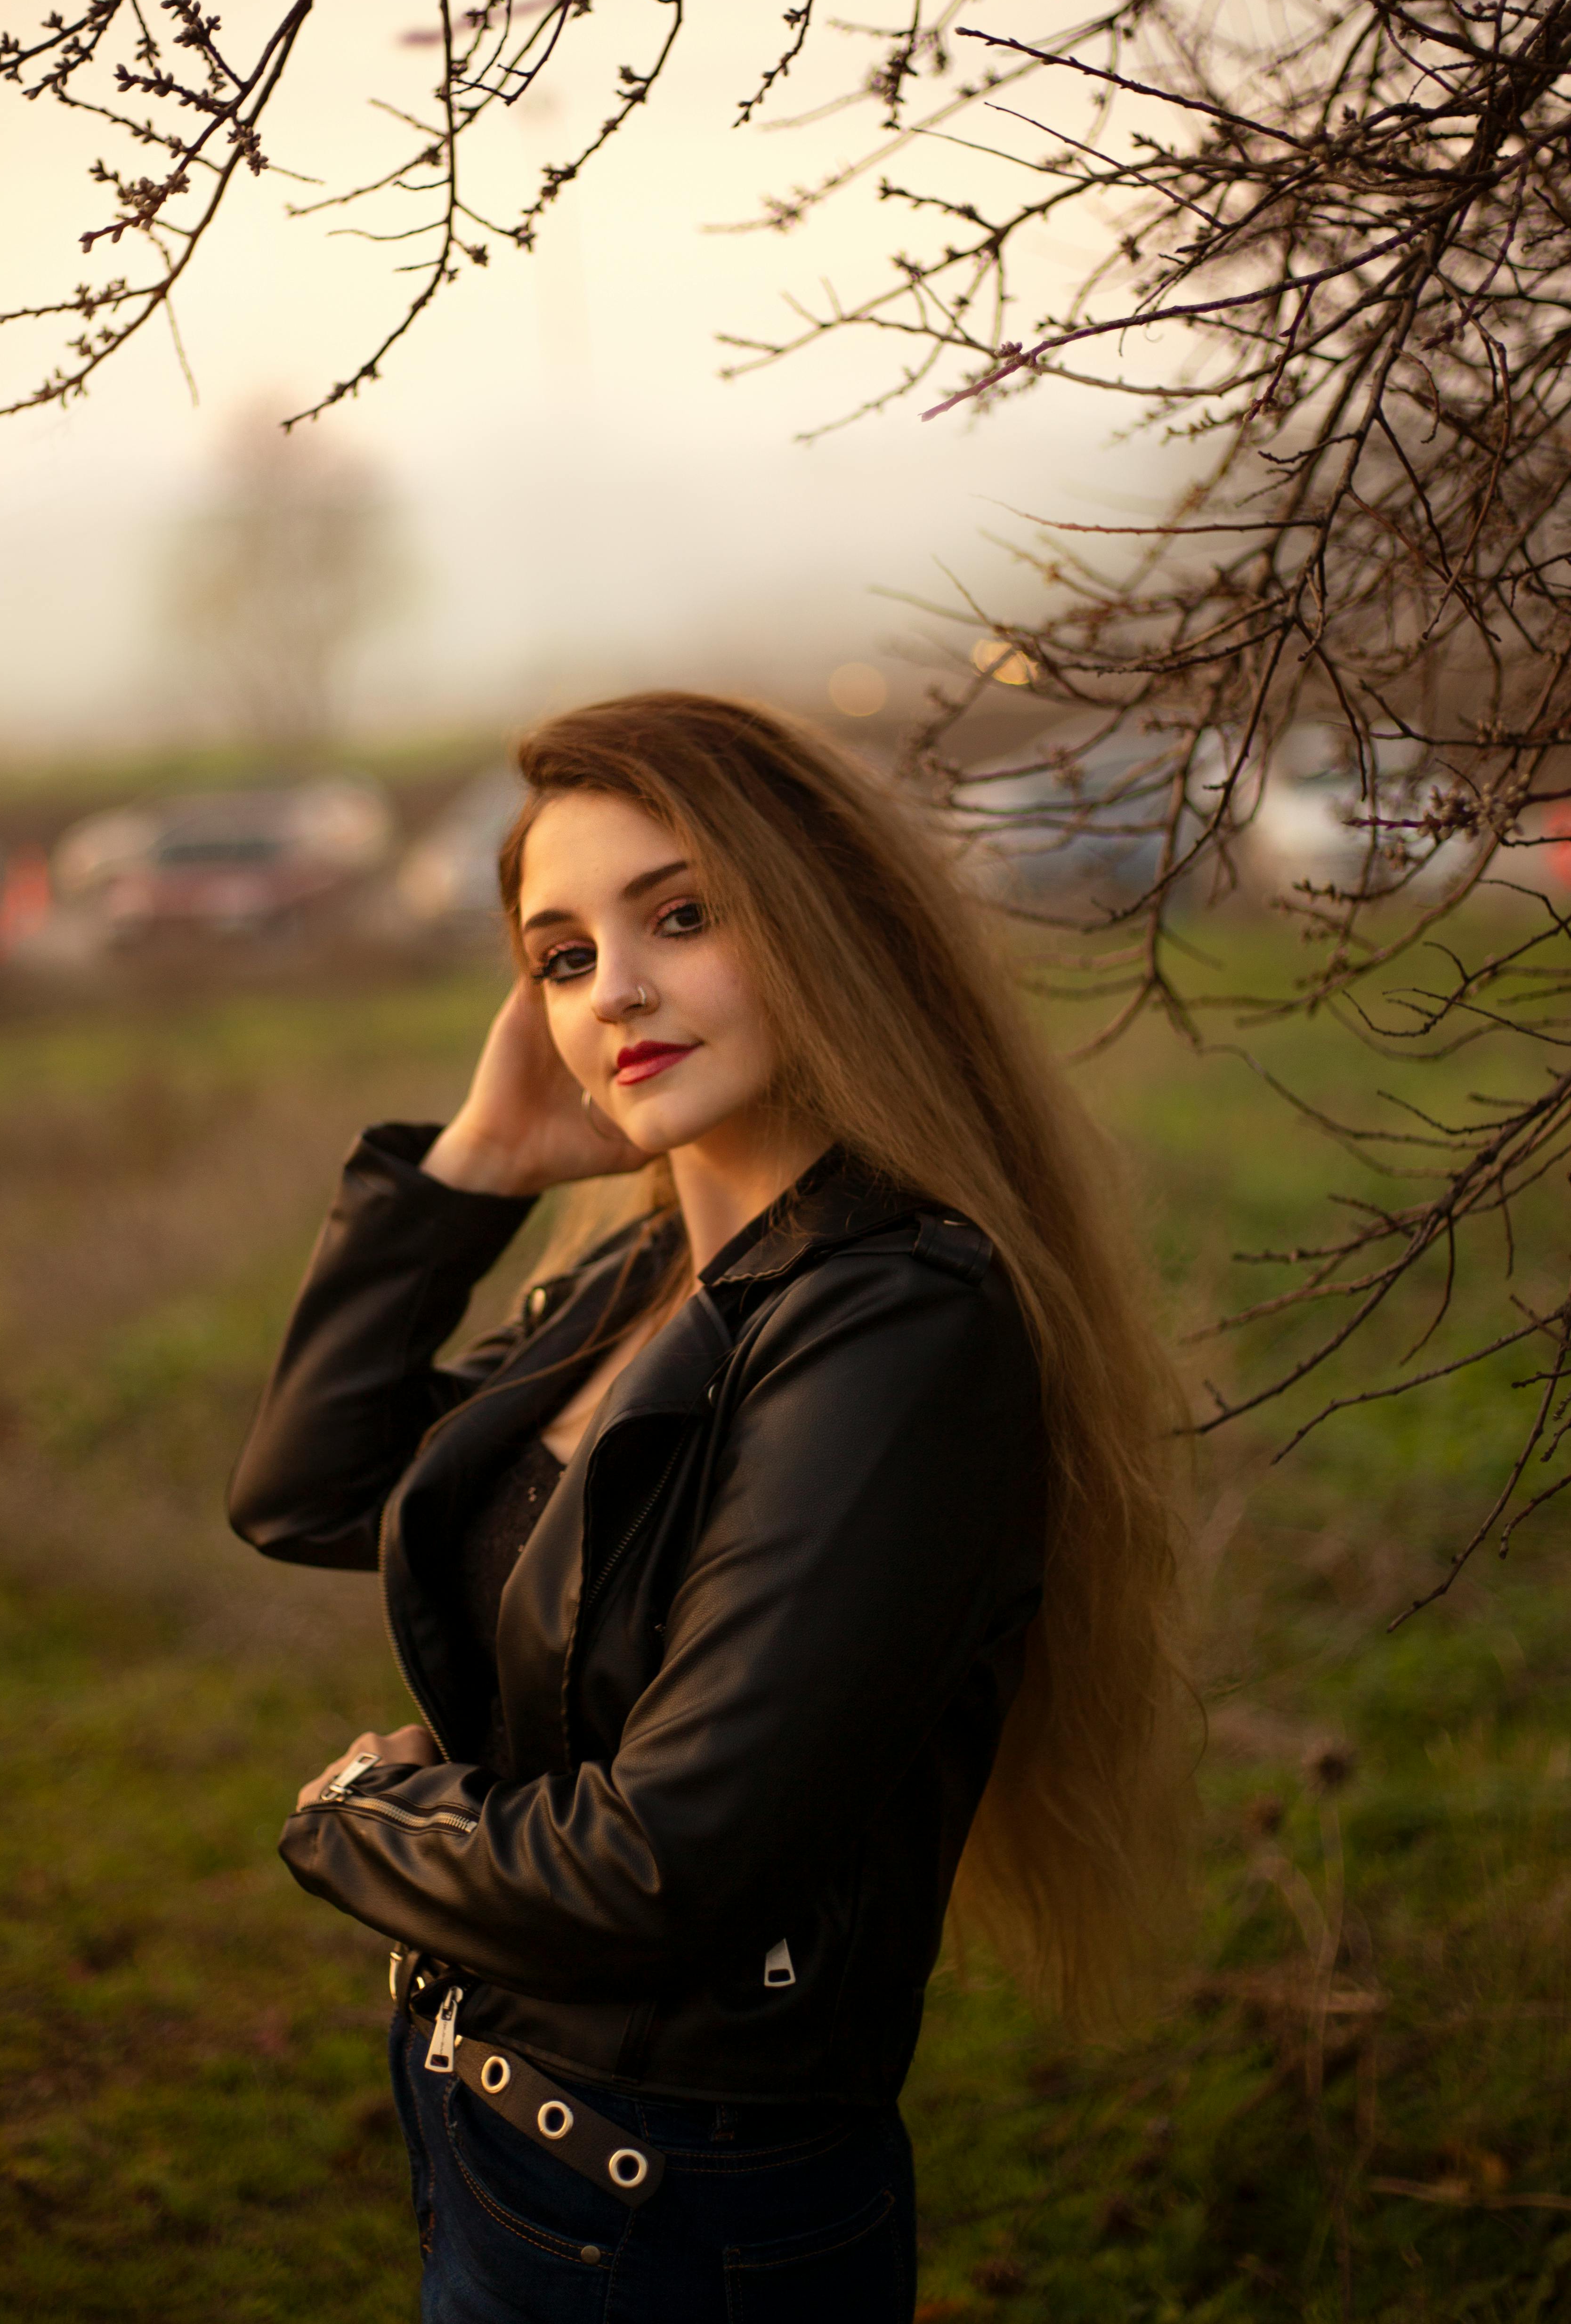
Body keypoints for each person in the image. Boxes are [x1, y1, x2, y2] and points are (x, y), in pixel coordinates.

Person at [228, 690, 1188, 2322]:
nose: (621, 991)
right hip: (510, 2146)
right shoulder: (656, 1281)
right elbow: (315, 1491)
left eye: (683, 915)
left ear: (822, 927)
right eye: (565, 956)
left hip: (671, 2213)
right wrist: (471, 1162)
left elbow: (661, 1870)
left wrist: (358, 1822)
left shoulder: (896, 1322)